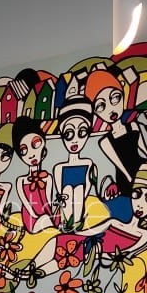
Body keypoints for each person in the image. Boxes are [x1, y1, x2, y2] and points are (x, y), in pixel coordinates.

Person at [85, 70, 142, 198]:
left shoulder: (133, 125)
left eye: (115, 98)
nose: (111, 109)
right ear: (96, 112)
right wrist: (131, 179)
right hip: (126, 177)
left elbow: (145, 152)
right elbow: (119, 165)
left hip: (143, 169)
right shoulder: (105, 141)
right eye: (101, 106)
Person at [52, 97, 96, 230]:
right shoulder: (59, 168)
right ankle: (67, 224)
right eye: (69, 133)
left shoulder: (88, 163)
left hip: (80, 201)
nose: (75, 140)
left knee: (78, 190)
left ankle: (77, 223)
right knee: (67, 190)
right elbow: (61, 196)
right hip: (66, 204)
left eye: (82, 132)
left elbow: (86, 189)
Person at [11, 116, 58, 233]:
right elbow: (25, 203)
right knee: (47, 221)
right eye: (24, 150)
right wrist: (35, 214)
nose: (31, 154)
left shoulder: (47, 177)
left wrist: (51, 214)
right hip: (31, 217)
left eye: (36, 144)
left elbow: (48, 201)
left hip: (46, 214)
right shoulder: (21, 181)